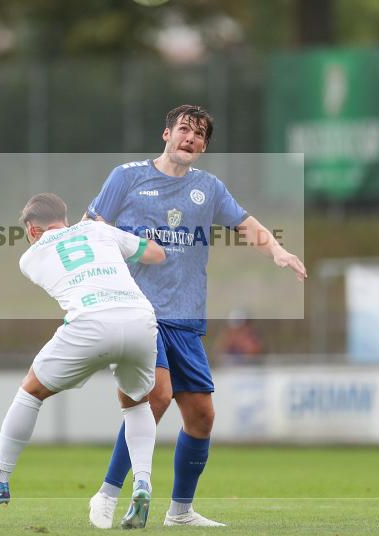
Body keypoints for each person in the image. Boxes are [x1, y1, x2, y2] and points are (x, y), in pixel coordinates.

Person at [85, 104, 307, 528]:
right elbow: (90, 226)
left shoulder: (209, 188)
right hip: (139, 313)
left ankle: (180, 511)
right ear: (165, 134)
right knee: (156, 398)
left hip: (186, 319)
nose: (191, 137)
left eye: (200, 134)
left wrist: (277, 249)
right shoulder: (126, 177)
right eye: (184, 129)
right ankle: (108, 495)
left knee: (202, 416)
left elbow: (244, 223)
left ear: (203, 146)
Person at [0, 192, 166, 529]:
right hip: (140, 318)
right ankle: (143, 485)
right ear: (66, 216)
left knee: (31, 391)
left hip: (89, 321)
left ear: (32, 231)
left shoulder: (29, 259)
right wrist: (124, 238)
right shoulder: (100, 230)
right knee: (136, 402)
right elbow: (157, 255)